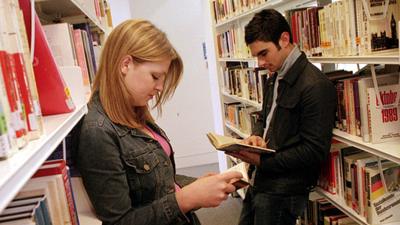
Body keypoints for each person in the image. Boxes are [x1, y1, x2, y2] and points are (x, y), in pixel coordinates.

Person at [75, 19, 242, 225]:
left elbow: (153, 183)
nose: (161, 87)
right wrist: (186, 199)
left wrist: (197, 185)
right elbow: (120, 222)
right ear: (125, 65)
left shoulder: (134, 113)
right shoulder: (98, 133)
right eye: (155, 76)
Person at [227, 9, 337, 225]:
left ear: (284, 39)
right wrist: (255, 137)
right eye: (256, 55)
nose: (259, 63)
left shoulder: (316, 86)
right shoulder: (274, 77)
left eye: (264, 53)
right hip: (261, 179)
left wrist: (262, 159)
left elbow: (314, 151)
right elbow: (264, 119)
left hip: (284, 191)